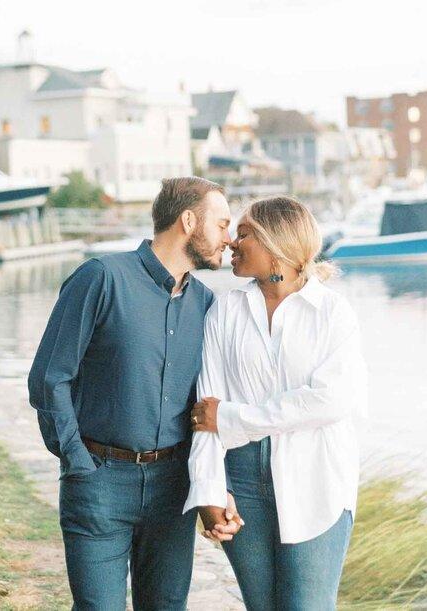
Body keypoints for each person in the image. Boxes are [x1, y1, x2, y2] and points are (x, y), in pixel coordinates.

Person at [28, 176, 243, 611]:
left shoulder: (206, 303)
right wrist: (77, 461)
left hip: (173, 489)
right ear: (188, 221)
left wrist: (214, 486)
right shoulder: (101, 278)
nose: (229, 238)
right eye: (222, 225)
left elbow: (209, 404)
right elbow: (49, 378)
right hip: (100, 483)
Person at [184, 195, 368, 611]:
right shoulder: (224, 311)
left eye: (244, 234)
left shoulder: (332, 313)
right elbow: (204, 411)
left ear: (276, 243)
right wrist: (211, 491)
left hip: (317, 478)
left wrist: (233, 417)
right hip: (241, 481)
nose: (232, 243)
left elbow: (331, 401)